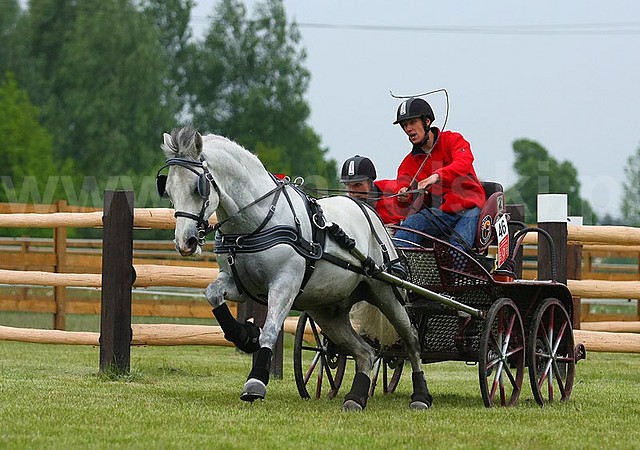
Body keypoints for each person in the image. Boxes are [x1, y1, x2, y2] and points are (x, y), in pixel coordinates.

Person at [391, 97, 485, 251]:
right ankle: (397, 269)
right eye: (404, 125)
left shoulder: (452, 140)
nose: (408, 129)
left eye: (413, 122)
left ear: (427, 121)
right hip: (442, 212)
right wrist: (401, 194)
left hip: (470, 208)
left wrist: (436, 176)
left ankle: (459, 273)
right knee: (411, 225)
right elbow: (402, 186)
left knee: (458, 248)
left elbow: (463, 162)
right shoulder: (408, 162)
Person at [340, 155, 406, 225]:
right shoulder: (345, 209)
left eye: (357, 185)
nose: (352, 191)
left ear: (370, 182)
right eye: (347, 185)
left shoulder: (395, 189)